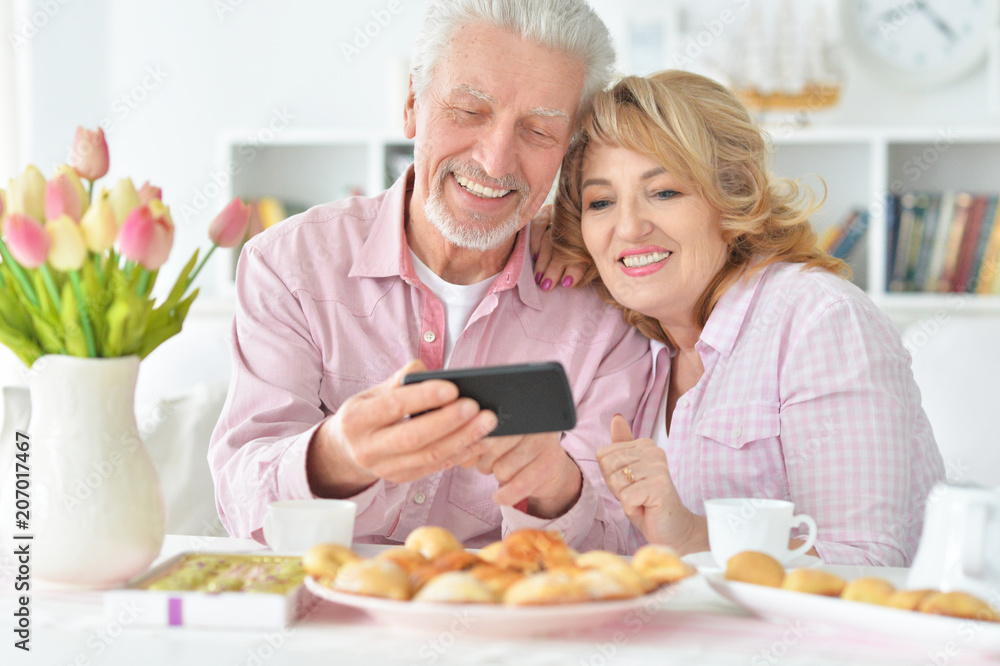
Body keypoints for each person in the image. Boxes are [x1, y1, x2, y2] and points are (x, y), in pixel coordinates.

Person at [209, 0, 653, 553]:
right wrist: (337, 455)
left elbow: (617, 537)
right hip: (327, 614)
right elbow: (239, 495)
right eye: (468, 111)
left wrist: (556, 489)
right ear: (413, 105)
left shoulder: (605, 306)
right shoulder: (289, 265)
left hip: (515, 620)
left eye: (538, 130)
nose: (494, 163)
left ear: (569, 148)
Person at [539, 70, 945, 565]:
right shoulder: (637, 342)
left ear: (733, 197)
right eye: (600, 202)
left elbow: (867, 565)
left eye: (664, 192)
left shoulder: (821, 321)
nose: (628, 226)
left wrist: (692, 535)